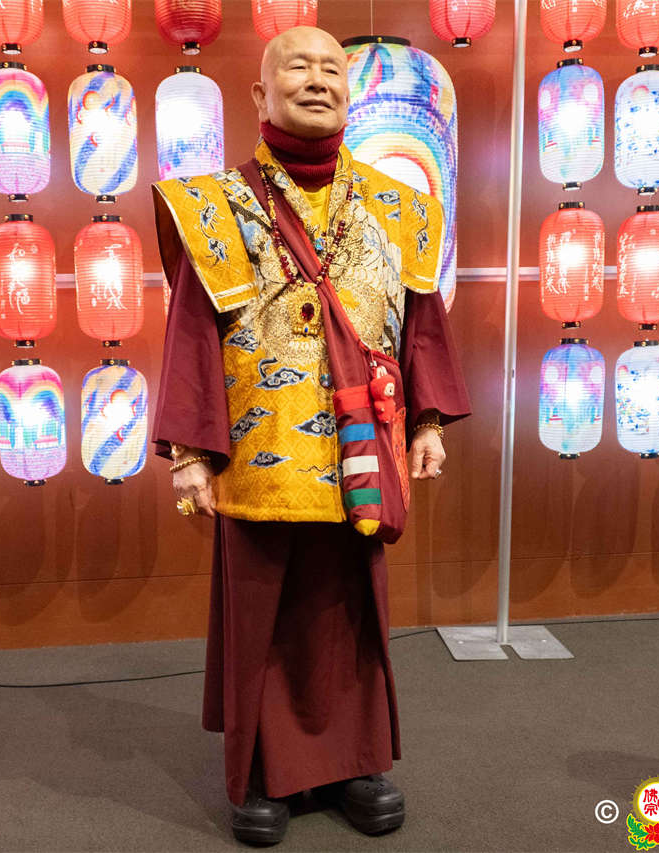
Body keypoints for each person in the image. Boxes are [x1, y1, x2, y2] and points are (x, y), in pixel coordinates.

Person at [150, 26, 470, 845]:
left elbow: (421, 321)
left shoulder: (399, 205)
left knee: (352, 609)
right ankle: (263, 773)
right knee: (261, 612)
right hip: (258, 453)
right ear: (261, 93)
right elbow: (192, 333)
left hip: (363, 443)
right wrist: (189, 453)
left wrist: (428, 420)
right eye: (298, 66)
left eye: (332, 68)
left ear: (349, 95)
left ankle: (357, 763)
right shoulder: (213, 205)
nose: (318, 79)